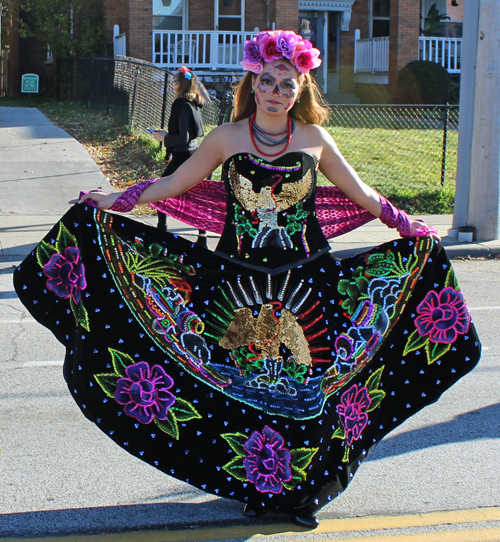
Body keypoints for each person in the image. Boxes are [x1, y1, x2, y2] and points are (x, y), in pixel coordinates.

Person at [14, 30, 481, 529]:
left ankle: (300, 493)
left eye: (287, 83)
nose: (276, 91)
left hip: (306, 284)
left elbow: (363, 193)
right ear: (253, 83)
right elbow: (173, 183)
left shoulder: (316, 141)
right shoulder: (226, 138)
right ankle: (259, 489)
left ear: (300, 90)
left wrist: (408, 225)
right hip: (238, 285)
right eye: (267, 81)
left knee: (303, 394)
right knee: (251, 393)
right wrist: (111, 202)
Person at [151, 66, 207, 246]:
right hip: (194, 154)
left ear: (182, 85)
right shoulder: (194, 104)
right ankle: (202, 237)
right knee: (197, 195)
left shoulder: (182, 105)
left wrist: (165, 138)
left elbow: (183, 138)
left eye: (175, 82)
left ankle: (161, 231)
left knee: (160, 188)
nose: (173, 85)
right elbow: (189, 134)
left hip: (184, 155)